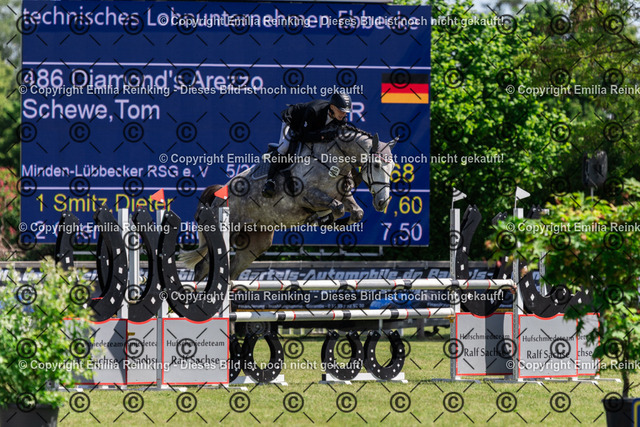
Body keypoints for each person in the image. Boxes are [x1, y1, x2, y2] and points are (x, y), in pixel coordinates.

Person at [261, 92, 352, 198]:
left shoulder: (341, 119)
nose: (343, 114)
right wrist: (322, 136)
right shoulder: (314, 110)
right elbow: (302, 136)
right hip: (293, 122)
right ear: (332, 107)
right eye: (341, 110)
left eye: (345, 112)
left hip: (312, 128)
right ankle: (270, 181)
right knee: (284, 147)